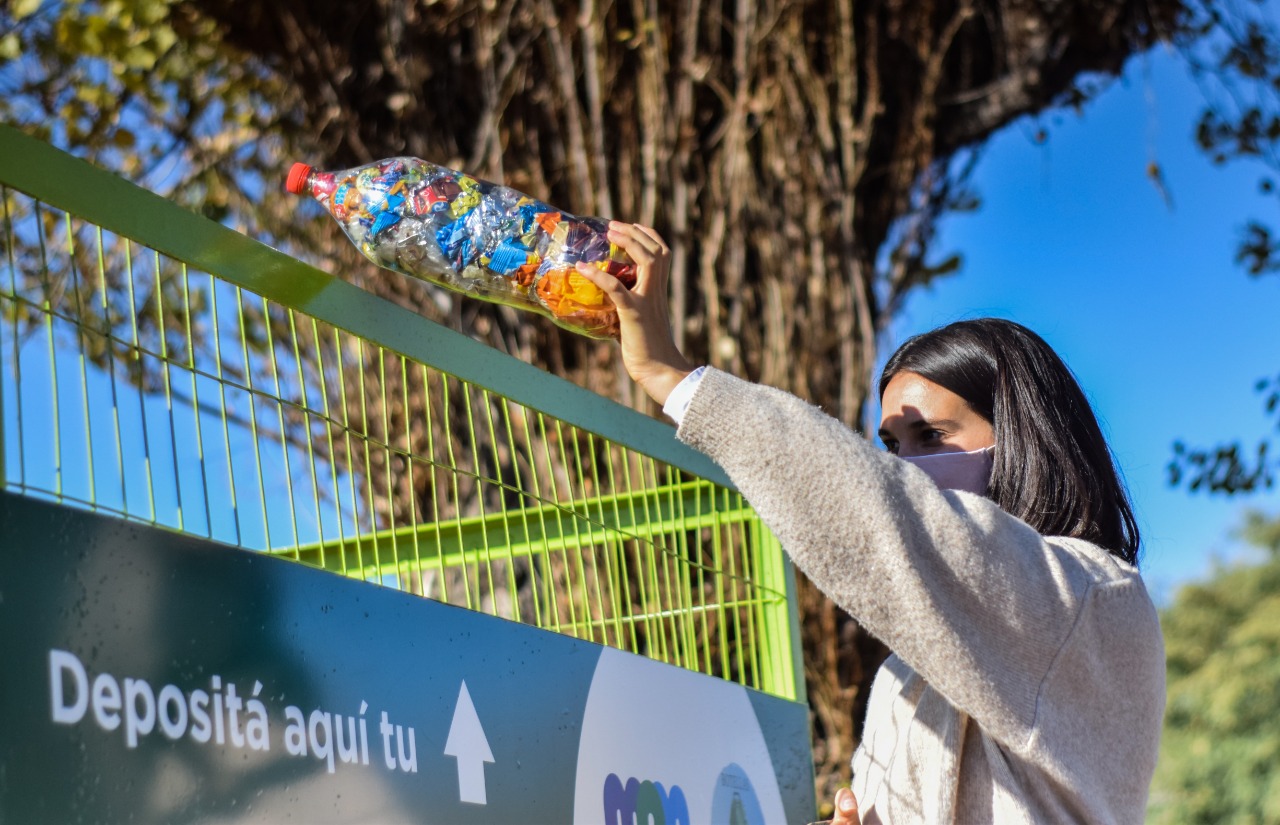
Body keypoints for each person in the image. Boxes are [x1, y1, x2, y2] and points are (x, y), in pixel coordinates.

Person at [576, 222, 1166, 824]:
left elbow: (885, 511)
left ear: (1021, 438)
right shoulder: (906, 675)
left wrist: (675, 379)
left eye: (931, 436)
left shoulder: (1091, 601)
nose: (906, 467)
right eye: (890, 446)